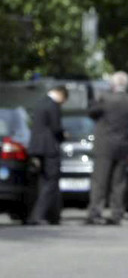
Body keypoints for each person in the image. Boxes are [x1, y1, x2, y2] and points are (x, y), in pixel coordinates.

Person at [85, 71, 128, 225]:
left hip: (104, 145)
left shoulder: (105, 99)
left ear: (113, 84)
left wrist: (95, 99)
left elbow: (91, 112)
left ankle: (95, 212)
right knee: (118, 182)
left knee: (100, 181)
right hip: (122, 145)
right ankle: (117, 213)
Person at [27, 84, 68, 225]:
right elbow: (56, 127)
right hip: (49, 149)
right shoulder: (53, 106)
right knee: (51, 182)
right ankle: (38, 215)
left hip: (36, 148)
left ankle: (52, 215)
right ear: (61, 95)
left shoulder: (39, 103)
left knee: (42, 182)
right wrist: (64, 136)